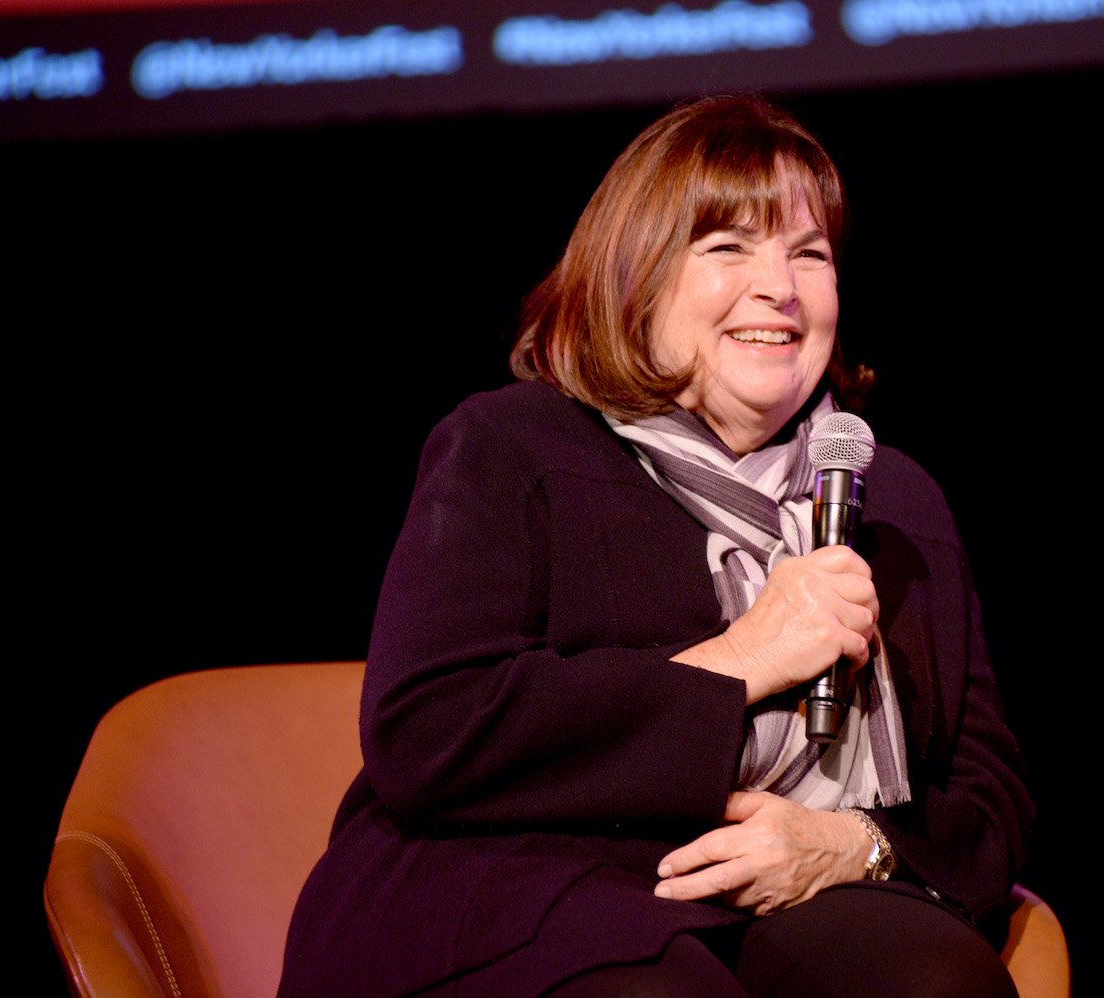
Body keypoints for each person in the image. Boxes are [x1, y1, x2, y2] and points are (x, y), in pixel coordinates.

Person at [279, 93, 1033, 997]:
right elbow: (428, 728)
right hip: (533, 886)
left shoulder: (895, 498)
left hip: (798, 888)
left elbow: (989, 796)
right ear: (635, 275)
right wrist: (738, 660)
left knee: (933, 981)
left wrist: (855, 843)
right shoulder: (514, 446)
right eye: (727, 248)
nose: (781, 288)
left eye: (810, 254)